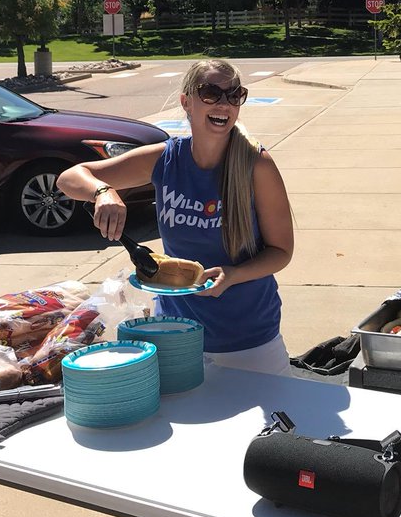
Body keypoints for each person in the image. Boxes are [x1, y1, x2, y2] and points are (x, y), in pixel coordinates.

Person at [55, 59, 295, 375]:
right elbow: (70, 178)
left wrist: (233, 275)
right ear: (186, 102)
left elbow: (281, 252)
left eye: (234, 95)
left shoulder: (256, 165)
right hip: (176, 333)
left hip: (248, 340)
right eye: (211, 92)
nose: (223, 103)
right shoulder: (166, 159)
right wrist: (103, 192)